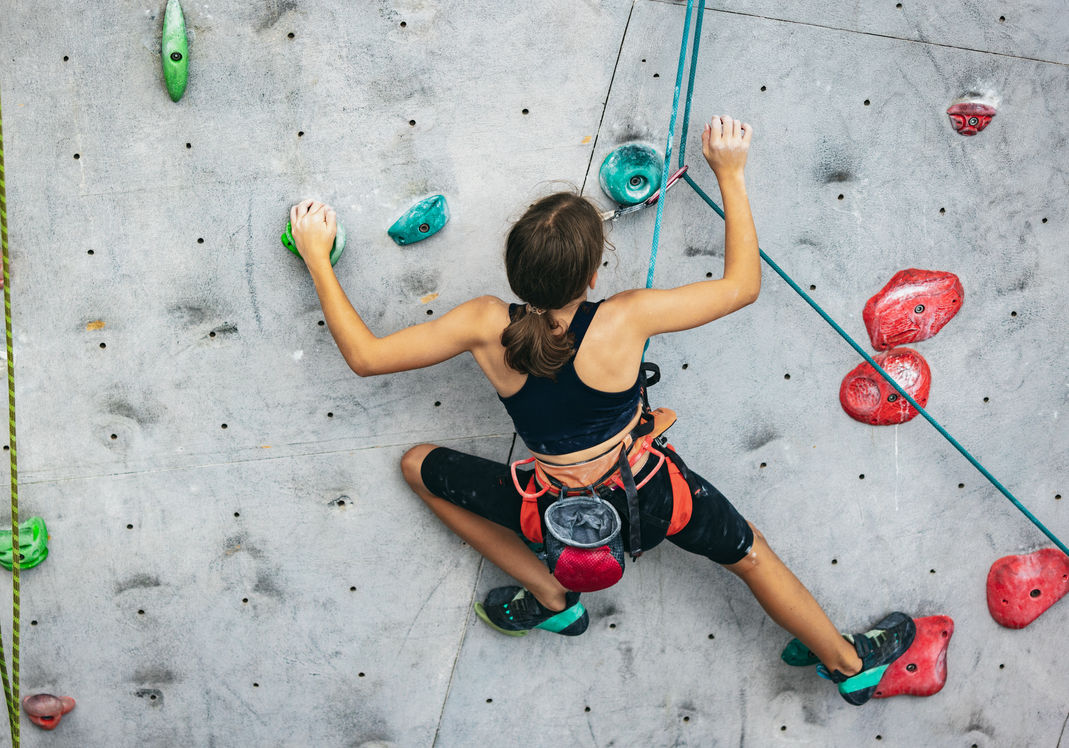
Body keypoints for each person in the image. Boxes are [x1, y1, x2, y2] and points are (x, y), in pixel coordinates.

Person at [289, 115, 912, 706]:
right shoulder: (623, 317)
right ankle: (848, 667)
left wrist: (318, 257)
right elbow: (742, 285)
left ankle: (550, 596)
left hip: (550, 515)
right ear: (592, 275)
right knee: (750, 556)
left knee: (418, 465)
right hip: (651, 494)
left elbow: (366, 357)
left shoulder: (482, 323)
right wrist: (730, 172)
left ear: (513, 270)